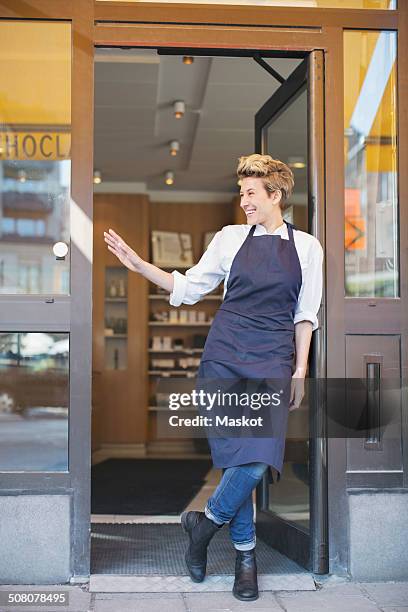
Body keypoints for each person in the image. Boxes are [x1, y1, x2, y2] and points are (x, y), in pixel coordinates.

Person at [104, 153, 324, 602]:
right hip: (224, 357)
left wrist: (300, 368)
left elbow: (306, 314)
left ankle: (202, 526)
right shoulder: (228, 239)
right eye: (240, 192)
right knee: (236, 459)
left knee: (258, 458)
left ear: (275, 195)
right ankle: (246, 560)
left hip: (273, 360)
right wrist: (140, 265)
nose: (243, 200)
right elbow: (189, 287)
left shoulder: (307, 248)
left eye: (250, 193)